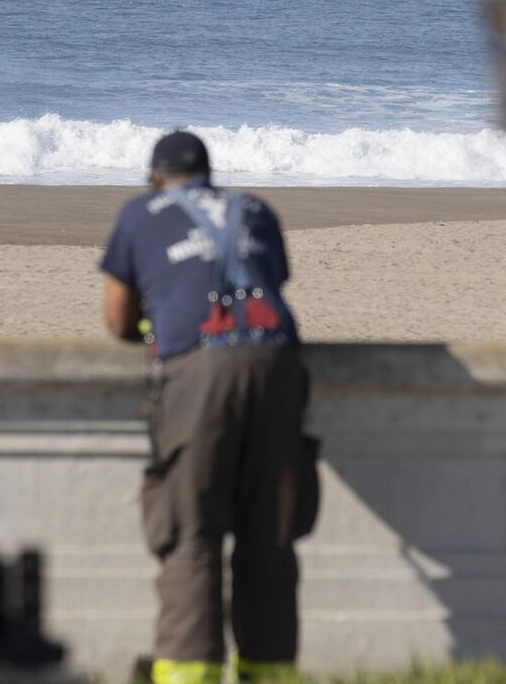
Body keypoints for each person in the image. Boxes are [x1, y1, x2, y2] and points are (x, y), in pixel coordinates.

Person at [99, 131, 316, 684]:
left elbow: (118, 319)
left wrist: (157, 325)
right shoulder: (256, 209)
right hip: (278, 363)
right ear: (208, 175)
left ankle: (189, 674)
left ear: (154, 178)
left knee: (190, 531)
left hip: (198, 370)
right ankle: (270, 673)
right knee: (269, 531)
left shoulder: (138, 213)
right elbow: (270, 283)